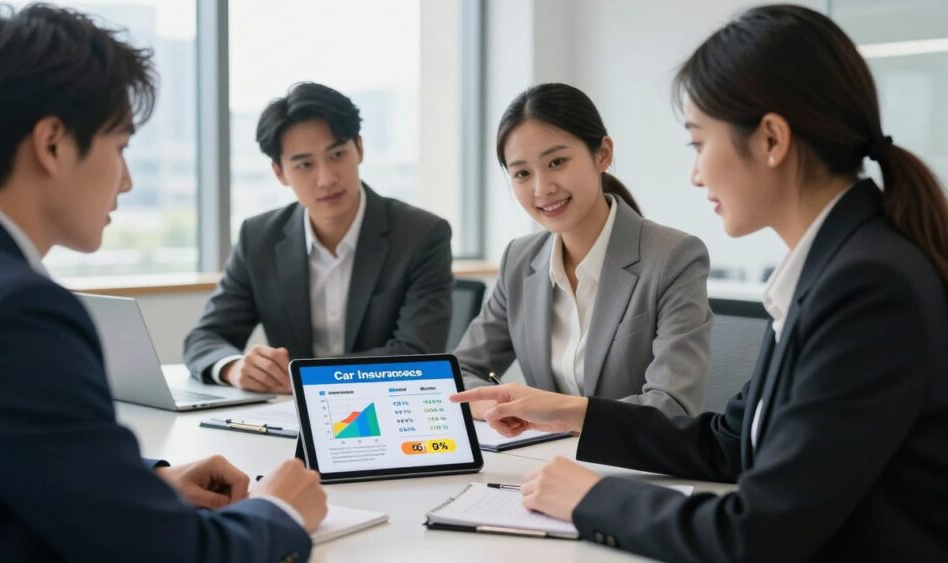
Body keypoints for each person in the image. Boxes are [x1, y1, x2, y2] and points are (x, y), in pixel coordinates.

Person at [453, 5, 948, 561]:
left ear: (771, 140)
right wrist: (569, 411)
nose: (694, 173)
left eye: (696, 143)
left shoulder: (867, 285)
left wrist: (594, 499)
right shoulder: (834, 269)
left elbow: (761, 531)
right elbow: (728, 443)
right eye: (520, 172)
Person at [0, 5, 326, 561]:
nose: (128, 180)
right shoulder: (15, 312)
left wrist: (141, 484)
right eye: (120, 147)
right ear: (53, 144)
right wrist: (280, 510)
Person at [454, 83, 712, 419]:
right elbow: (457, 374)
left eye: (557, 162)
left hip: (632, 467)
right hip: (540, 461)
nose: (542, 188)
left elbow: (671, 407)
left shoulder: (673, 257)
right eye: (521, 173)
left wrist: (553, 412)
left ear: (603, 154)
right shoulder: (520, 260)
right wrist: (506, 409)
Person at [184, 82, 453, 393]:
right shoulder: (258, 238)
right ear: (279, 173)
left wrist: (305, 378)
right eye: (304, 165)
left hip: (385, 410)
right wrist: (233, 368)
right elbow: (204, 338)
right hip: (290, 417)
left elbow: (416, 352)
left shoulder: (421, 235)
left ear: (360, 149)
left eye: (337, 154)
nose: (326, 178)